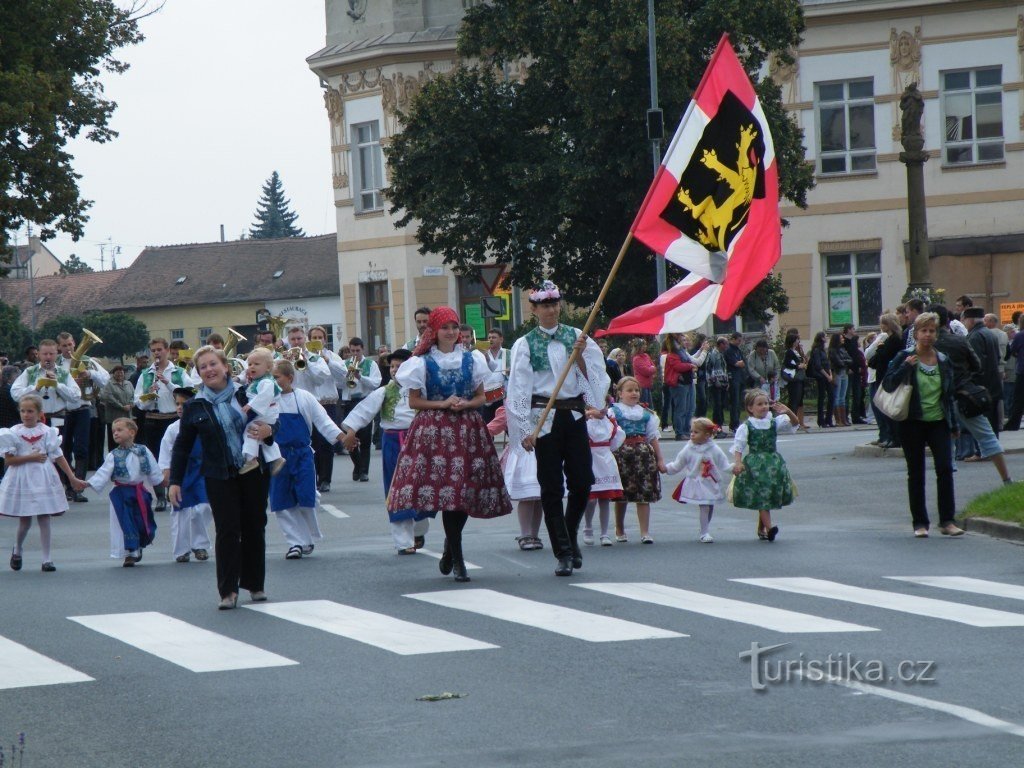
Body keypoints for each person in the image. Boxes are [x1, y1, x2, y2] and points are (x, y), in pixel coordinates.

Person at [388, 307, 511, 582]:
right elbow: (414, 402)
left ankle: (450, 548)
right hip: (434, 431)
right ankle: (457, 558)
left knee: (464, 491)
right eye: (446, 327)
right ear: (435, 331)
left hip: (467, 429)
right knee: (448, 493)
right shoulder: (421, 362)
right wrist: (442, 403)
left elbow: (482, 397)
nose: (452, 332)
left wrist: (467, 403)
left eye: (455, 327)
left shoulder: (472, 359)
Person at [506, 280, 609, 576]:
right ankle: (563, 551)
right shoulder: (524, 344)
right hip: (544, 418)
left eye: (554, 304)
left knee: (582, 482)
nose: (550, 310)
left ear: (559, 305)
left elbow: (594, 377)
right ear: (534, 309)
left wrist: (578, 355)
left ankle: (569, 529)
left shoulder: (576, 336)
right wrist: (523, 428)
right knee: (550, 488)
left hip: (573, 416)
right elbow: (519, 388)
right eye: (544, 305)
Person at [169, 345, 277, 610]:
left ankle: (254, 583)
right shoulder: (195, 406)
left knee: (254, 525)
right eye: (203, 367)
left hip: (252, 469)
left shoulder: (246, 393)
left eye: (213, 364)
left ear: (226, 367)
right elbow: (182, 445)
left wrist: (268, 431)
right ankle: (228, 590)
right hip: (219, 473)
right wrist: (175, 481)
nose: (209, 370)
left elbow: (272, 417)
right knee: (228, 530)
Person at [341, 349, 434, 554]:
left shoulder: (423, 389)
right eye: (392, 366)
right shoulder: (384, 391)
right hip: (393, 442)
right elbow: (364, 410)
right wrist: (351, 431)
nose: (394, 370)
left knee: (421, 487)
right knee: (396, 489)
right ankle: (404, 542)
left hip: (419, 441)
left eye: (400, 366)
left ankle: (418, 528)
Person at [881, 312, 963, 537]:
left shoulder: (943, 360)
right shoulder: (905, 356)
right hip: (912, 422)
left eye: (932, 331)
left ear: (936, 334)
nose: (928, 335)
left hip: (939, 421)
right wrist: (906, 367)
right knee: (916, 473)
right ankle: (920, 523)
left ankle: (947, 520)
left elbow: (949, 395)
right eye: (924, 331)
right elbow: (888, 383)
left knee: (945, 470)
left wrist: (954, 424)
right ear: (916, 334)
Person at [270, 359, 344, 560]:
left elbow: (323, 420)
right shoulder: (267, 399)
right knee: (281, 502)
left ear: (290, 378)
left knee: (307, 497)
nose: (272, 381)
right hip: (277, 456)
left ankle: (309, 536)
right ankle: (295, 543)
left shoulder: (304, 397)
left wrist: (342, 438)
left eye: (276, 377)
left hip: (302, 454)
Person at [1, 394, 77, 572]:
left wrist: (72, 477)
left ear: (39, 413)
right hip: (22, 477)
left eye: (30, 411)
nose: (26, 415)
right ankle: (18, 548)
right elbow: (9, 461)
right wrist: (31, 457)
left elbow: (58, 456)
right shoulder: (13, 433)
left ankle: (46, 559)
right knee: (25, 520)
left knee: (44, 517)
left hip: (43, 477)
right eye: (23, 411)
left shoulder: (47, 432)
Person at [81, 417, 164, 567]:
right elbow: (103, 473)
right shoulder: (113, 455)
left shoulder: (143, 451)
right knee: (123, 522)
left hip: (139, 491)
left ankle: (138, 546)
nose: (115, 433)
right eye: (113, 431)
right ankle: (129, 553)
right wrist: (87, 483)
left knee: (140, 521)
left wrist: (164, 482)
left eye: (119, 430)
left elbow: (154, 471)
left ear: (132, 432)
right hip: (120, 493)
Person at [731, 389, 798, 542]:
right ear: (750, 408)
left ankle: (761, 528)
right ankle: (769, 528)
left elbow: (795, 423)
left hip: (773, 464)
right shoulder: (747, 426)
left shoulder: (773, 422)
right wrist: (738, 462)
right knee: (762, 494)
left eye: (766, 403)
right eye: (760, 404)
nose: (764, 407)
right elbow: (738, 446)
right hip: (755, 466)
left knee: (768, 494)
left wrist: (788, 411)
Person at [134, 338, 191, 511]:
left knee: (177, 455)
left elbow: (189, 394)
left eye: (159, 350)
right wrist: (149, 395)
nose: (157, 353)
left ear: (166, 350)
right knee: (156, 457)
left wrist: (168, 383)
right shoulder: (146, 374)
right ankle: (160, 496)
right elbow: (138, 402)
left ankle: (174, 488)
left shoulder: (179, 372)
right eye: (154, 350)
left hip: (174, 418)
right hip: (153, 418)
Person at [158, 387, 213, 564]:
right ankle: (181, 549)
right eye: (178, 404)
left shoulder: (203, 424)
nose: (180, 407)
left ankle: (199, 544)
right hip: (181, 472)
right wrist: (166, 471)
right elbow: (166, 452)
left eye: (184, 403)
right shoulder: (173, 429)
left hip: (201, 470)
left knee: (203, 507)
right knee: (180, 511)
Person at [610, 376, 667, 544]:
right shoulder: (614, 411)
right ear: (620, 393)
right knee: (622, 494)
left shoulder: (645, 414)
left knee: (644, 492)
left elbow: (652, 437)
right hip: (622, 455)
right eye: (629, 390)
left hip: (643, 456)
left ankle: (645, 531)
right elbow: (609, 434)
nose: (634, 393)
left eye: (636, 390)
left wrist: (660, 459)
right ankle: (619, 528)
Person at [56, 331, 109, 497]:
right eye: (64, 346)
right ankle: (68, 485)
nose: (68, 348)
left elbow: (105, 378)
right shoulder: (55, 364)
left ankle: (78, 487)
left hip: (82, 409)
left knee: (81, 448)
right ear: (59, 347)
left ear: (74, 343)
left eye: (70, 344)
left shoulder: (87, 361)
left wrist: (89, 374)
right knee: (63, 449)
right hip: (62, 411)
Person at [663, 417, 733, 543]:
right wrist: (666, 469)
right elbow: (679, 463)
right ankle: (704, 532)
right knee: (705, 506)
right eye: (691, 431)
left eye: (696, 432)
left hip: (710, 482)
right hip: (697, 482)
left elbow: (724, 464)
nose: (692, 434)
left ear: (707, 435)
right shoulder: (689, 448)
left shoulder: (714, 449)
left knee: (710, 506)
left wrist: (734, 468)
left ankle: (704, 527)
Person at [486, 405, 543, 552]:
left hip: (542, 451)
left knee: (539, 497)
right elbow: (492, 428)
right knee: (527, 495)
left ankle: (534, 535)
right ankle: (525, 534)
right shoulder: (511, 408)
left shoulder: (541, 404)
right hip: (522, 453)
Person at [339, 337, 382, 482]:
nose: (355, 354)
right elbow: (338, 384)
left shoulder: (371, 364)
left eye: (358, 350)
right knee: (350, 438)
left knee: (365, 438)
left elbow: (376, 383)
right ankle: (357, 465)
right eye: (352, 351)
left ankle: (364, 471)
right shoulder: (344, 364)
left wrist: (360, 376)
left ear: (362, 349)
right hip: (349, 402)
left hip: (365, 401)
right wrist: (345, 376)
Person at [582, 406, 624, 547]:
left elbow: (616, 441)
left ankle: (604, 533)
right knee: (591, 499)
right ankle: (588, 527)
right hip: (590, 459)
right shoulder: (584, 421)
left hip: (605, 459)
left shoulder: (609, 423)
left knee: (605, 498)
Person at [239, 348, 285, 476]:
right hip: (266, 413)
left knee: (250, 431)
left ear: (268, 368)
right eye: (249, 364)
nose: (252, 367)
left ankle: (251, 459)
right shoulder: (258, 381)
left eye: (256, 364)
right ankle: (276, 458)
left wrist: (251, 405)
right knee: (261, 439)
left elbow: (265, 396)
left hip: (266, 413)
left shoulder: (266, 381)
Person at [866, 313, 905, 448]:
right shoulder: (890, 338)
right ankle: (890, 436)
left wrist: (880, 349)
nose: (881, 326)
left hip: (887, 376)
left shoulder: (894, 339)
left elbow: (881, 357)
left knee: (888, 408)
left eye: (883, 323)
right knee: (884, 408)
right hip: (883, 375)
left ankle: (894, 437)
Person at [99, 365, 135, 454]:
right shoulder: (109, 384)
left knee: (127, 437)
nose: (120, 374)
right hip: (114, 417)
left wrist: (130, 404)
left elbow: (133, 395)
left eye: (121, 372)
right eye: (117, 372)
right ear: (113, 373)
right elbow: (109, 397)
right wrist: (121, 406)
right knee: (115, 439)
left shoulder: (128, 384)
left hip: (127, 416)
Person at [483, 327, 511, 423]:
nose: (490, 339)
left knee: (508, 427)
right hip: (486, 396)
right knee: (487, 428)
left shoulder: (509, 354)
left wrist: (511, 371)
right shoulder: (483, 354)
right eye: (489, 337)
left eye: (494, 337)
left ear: (501, 339)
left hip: (504, 396)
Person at [781, 330, 808, 430]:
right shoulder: (789, 351)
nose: (798, 342)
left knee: (799, 400)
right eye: (797, 340)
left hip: (799, 378)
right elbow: (787, 363)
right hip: (794, 379)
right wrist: (798, 366)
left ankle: (800, 422)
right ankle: (792, 421)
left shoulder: (796, 351)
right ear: (793, 341)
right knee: (794, 400)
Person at [808, 331, 833, 428]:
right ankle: (821, 420)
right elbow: (818, 366)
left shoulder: (823, 350)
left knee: (831, 396)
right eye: (825, 336)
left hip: (827, 375)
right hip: (821, 376)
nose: (826, 338)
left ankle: (829, 419)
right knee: (821, 397)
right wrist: (827, 375)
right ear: (822, 338)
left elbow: (827, 363)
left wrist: (830, 374)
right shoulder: (816, 350)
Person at [705, 337, 730, 429]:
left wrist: (726, 382)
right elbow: (709, 369)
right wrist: (715, 381)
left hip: (723, 383)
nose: (727, 346)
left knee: (721, 404)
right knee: (717, 404)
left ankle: (720, 423)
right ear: (721, 344)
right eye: (726, 344)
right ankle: (716, 425)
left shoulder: (721, 354)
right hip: (715, 383)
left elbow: (724, 369)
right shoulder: (713, 354)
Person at [828, 332, 852, 426]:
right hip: (837, 373)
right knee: (837, 397)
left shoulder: (842, 349)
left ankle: (844, 419)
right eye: (841, 338)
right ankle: (838, 420)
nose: (843, 339)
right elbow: (838, 362)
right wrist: (845, 361)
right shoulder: (832, 350)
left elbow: (850, 360)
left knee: (843, 397)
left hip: (844, 373)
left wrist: (844, 361)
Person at [724, 332, 747, 432]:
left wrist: (740, 363)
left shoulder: (738, 350)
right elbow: (735, 363)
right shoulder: (729, 350)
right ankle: (733, 424)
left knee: (739, 402)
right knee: (735, 402)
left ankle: (737, 421)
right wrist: (739, 363)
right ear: (733, 339)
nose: (740, 342)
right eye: (738, 340)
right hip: (733, 378)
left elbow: (744, 362)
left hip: (740, 377)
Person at [630, 338, 656, 409]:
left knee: (650, 406)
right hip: (642, 385)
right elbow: (647, 371)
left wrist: (652, 368)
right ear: (638, 347)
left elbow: (653, 365)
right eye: (643, 345)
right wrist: (652, 368)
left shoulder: (646, 356)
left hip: (648, 385)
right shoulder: (637, 359)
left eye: (645, 345)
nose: (645, 346)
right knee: (645, 406)